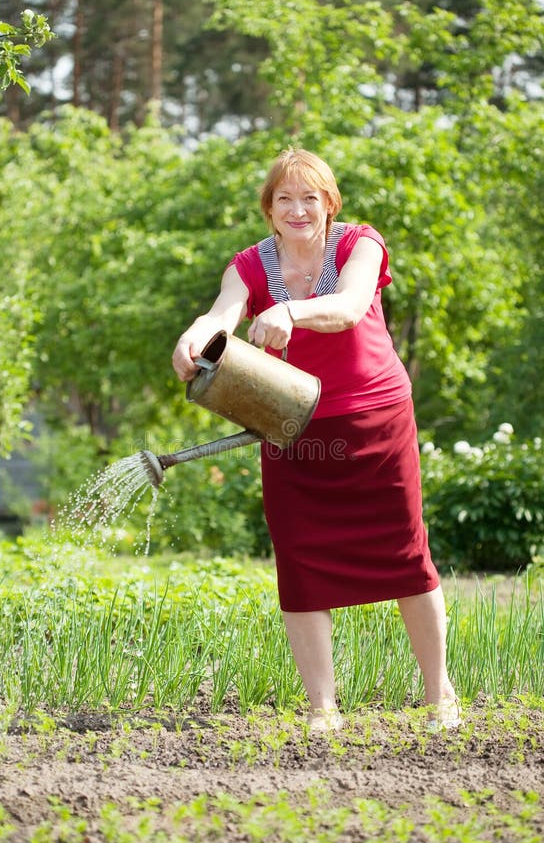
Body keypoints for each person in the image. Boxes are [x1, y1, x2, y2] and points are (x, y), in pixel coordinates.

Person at [172, 148, 461, 732]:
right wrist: (193, 338)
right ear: (269, 209)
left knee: (407, 555)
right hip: (290, 424)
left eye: (311, 198)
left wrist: (290, 312)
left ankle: (439, 696)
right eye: (285, 199)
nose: (298, 209)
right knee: (300, 562)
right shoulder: (250, 265)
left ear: (330, 204)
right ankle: (323, 710)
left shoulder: (360, 243)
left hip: (374, 417)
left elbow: (351, 307)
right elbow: (221, 313)